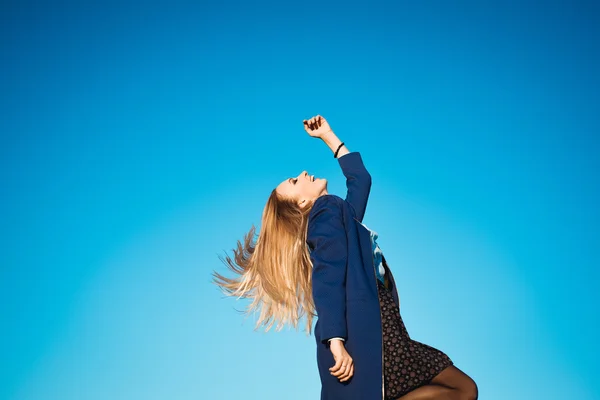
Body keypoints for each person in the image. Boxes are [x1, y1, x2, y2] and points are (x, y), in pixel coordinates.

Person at [212, 115, 478, 400]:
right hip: (370, 333)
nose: (302, 173)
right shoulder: (325, 211)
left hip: (385, 329)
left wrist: (328, 136)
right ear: (302, 202)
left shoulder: (340, 216)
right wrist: (335, 341)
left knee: (462, 389)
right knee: (462, 389)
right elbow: (327, 276)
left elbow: (360, 180)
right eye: (294, 181)